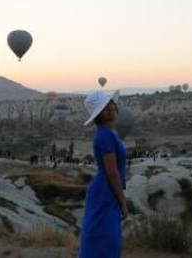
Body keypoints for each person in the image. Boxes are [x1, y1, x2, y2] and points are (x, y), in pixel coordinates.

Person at [79, 90, 128, 258]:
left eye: (110, 104)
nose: (109, 109)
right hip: (105, 191)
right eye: (104, 108)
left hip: (106, 190)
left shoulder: (108, 133)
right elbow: (112, 172)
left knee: (106, 238)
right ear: (98, 115)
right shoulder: (105, 136)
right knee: (106, 239)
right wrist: (123, 201)